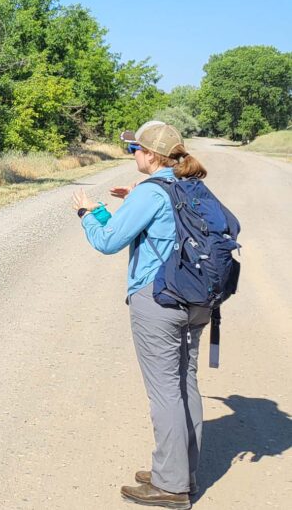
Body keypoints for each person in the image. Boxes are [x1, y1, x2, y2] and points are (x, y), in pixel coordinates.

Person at [72, 120, 210, 509]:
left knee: (165, 391)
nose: (132, 153)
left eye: (135, 149)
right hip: (198, 299)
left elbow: (109, 241)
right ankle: (182, 472)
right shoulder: (189, 185)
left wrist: (88, 213)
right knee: (186, 383)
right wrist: (132, 198)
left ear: (150, 155)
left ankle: (171, 487)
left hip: (159, 299)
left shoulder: (151, 192)